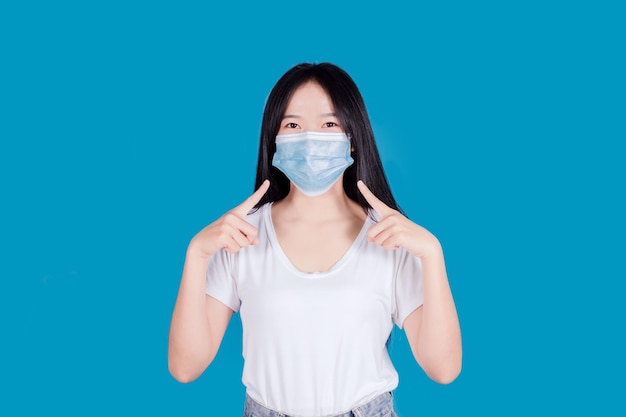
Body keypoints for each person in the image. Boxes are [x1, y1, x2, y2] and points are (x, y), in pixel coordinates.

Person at [168, 62, 462, 417]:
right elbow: (185, 368)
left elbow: (443, 369)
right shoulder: (241, 237)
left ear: (352, 139)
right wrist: (197, 254)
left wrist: (432, 255)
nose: (310, 138)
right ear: (273, 140)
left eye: (329, 124)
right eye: (292, 124)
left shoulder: (390, 238)